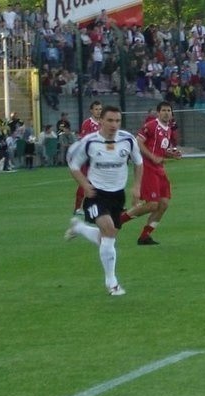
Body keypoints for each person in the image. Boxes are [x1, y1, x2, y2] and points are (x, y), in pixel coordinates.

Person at [65, 105, 143, 296]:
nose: (114, 125)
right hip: (96, 194)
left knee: (107, 237)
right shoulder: (90, 142)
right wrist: (84, 184)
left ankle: (79, 228)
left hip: (117, 195)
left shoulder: (127, 140)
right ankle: (112, 283)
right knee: (108, 231)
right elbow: (74, 165)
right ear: (101, 121)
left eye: (117, 121)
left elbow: (139, 162)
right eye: (110, 120)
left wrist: (136, 187)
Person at [120, 101, 182, 245]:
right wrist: (152, 156)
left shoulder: (168, 129)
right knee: (152, 205)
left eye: (169, 110)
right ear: (158, 112)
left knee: (164, 204)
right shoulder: (151, 125)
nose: (167, 113)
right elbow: (138, 141)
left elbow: (161, 150)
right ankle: (120, 220)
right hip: (148, 168)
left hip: (160, 169)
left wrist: (172, 155)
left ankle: (145, 236)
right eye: (164, 110)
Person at [73, 101, 103, 215]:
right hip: (88, 159)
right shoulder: (87, 123)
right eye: (96, 109)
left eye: (100, 109)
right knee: (84, 182)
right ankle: (77, 208)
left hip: (100, 159)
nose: (99, 111)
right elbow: (84, 140)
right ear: (91, 110)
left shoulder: (103, 123)